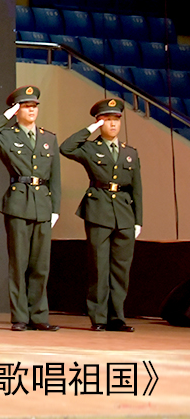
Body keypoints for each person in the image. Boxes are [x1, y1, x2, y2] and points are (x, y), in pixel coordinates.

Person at [0, 84, 61, 331]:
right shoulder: (7, 136)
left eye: (34, 106)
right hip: (18, 203)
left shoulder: (48, 138)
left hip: (43, 204)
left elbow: (55, 177)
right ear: (17, 110)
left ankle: (39, 316)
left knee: (40, 265)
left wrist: (55, 208)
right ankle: (20, 317)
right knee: (19, 263)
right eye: (25, 106)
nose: (31, 110)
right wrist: (7, 115)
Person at [61, 97, 142, 332]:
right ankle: (98, 317)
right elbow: (66, 147)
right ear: (99, 122)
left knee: (121, 270)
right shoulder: (90, 148)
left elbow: (137, 189)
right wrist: (90, 129)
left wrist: (138, 220)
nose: (113, 124)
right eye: (107, 120)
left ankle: (117, 317)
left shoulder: (130, 152)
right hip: (98, 211)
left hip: (124, 215)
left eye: (116, 119)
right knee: (99, 267)